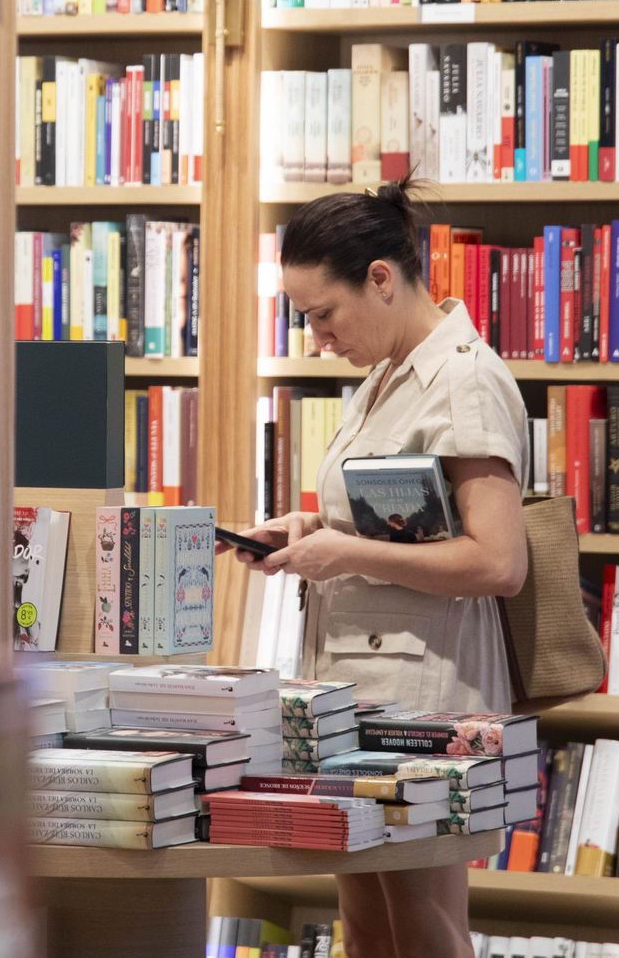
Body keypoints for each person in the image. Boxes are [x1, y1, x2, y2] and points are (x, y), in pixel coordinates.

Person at [219, 176, 529, 958]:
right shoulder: (385, 375)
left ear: (381, 280)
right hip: (356, 687)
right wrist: (308, 531)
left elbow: (499, 561)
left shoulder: (462, 380)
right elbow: (403, 519)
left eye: (324, 314)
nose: (318, 337)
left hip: (425, 696)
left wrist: (341, 553)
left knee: (421, 920)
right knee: (366, 919)